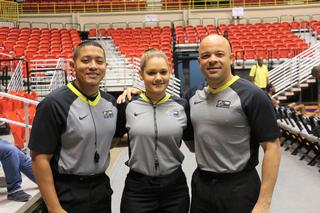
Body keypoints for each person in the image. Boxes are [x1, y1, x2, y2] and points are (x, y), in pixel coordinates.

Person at [119, 35, 281, 213]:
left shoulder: (253, 95)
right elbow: (191, 142)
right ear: (199, 61)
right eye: (206, 56)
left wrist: (264, 202)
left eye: (219, 54)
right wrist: (136, 92)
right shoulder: (191, 97)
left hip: (239, 187)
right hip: (202, 187)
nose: (212, 60)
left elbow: (272, 147)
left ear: (231, 58)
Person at [28, 41, 124, 213]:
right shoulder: (53, 104)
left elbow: (111, 140)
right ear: (73, 65)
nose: (93, 66)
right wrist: (54, 207)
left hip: (100, 189)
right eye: (86, 60)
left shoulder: (110, 102)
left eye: (99, 61)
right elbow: (39, 159)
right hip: (66, 192)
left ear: (105, 66)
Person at [119, 49, 191, 213]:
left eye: (163, 72)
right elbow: (114, 139)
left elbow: (192, 143)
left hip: (175, 188)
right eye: (151, 73)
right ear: (141, 74)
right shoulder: (127, 104)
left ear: (170, 73)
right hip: (138, 189)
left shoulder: (182, 106)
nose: (158, 78)